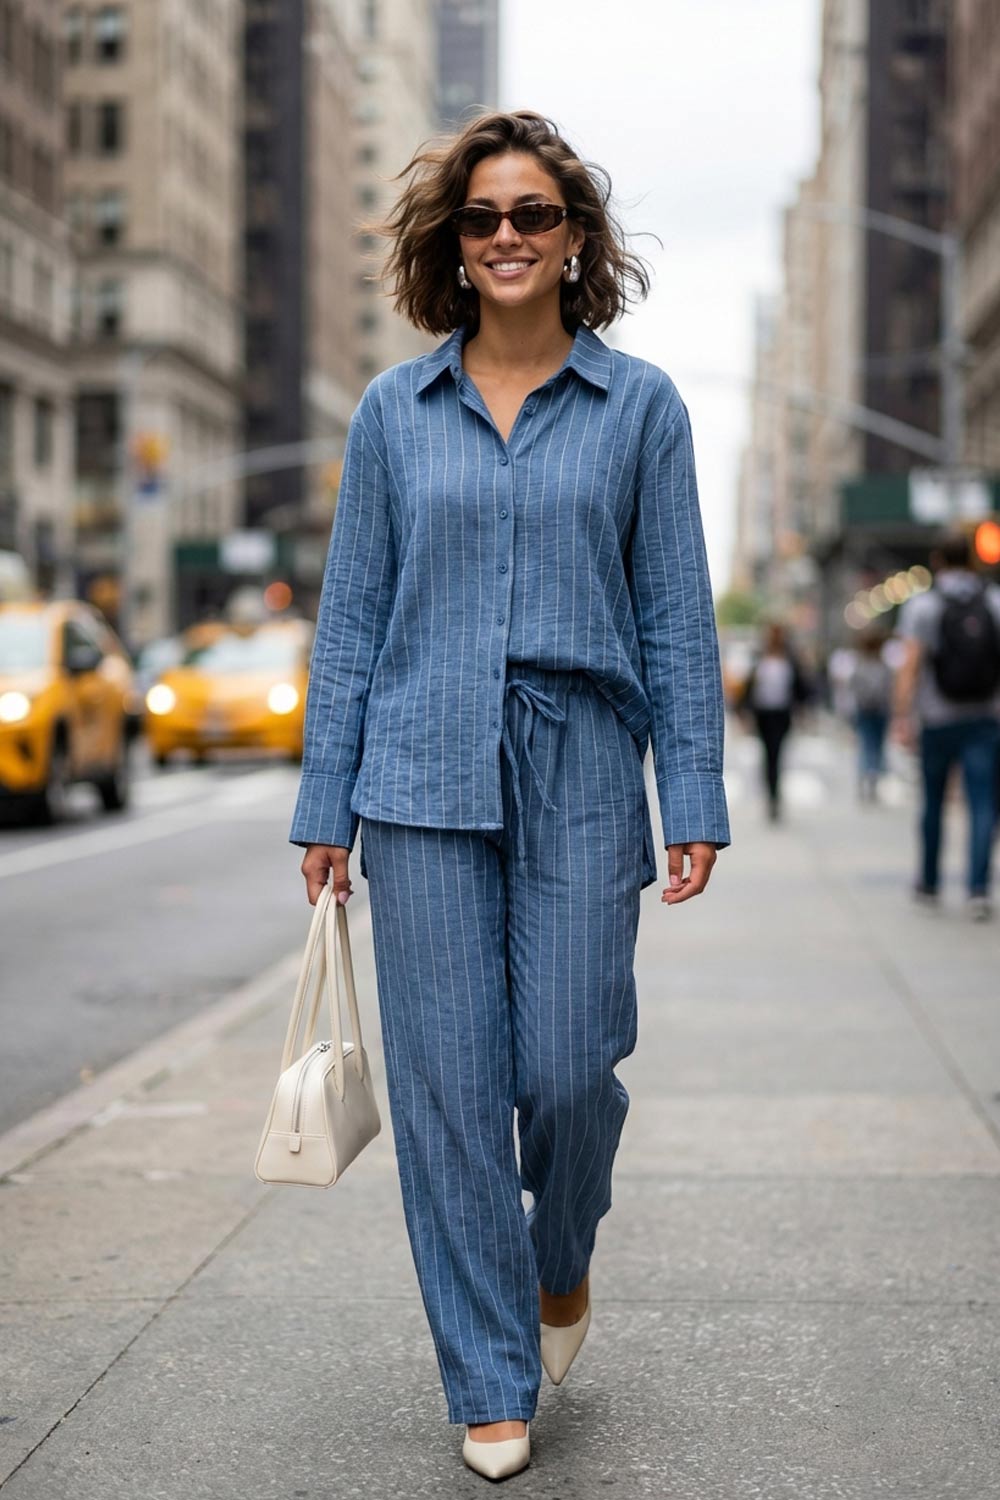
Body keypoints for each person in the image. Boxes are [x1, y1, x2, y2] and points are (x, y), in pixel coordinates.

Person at [290, 110, 730, 1481]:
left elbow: (674, 613)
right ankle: (489, 1377)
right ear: (453, 247)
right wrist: (325, 805)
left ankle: (561, 1260)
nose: (507, 237)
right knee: (450, 1097)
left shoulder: (642, 407)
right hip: (415, 776)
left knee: (568, 1067)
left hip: (586, 767)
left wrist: (696, 789)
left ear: (577, 238)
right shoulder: (391, 413)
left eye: (533, 214)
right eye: (482, 218)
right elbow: (353, 615)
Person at [894, 534, 1000, 920]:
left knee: (934, 802)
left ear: (938, 561)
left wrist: (901, 716)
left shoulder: (923, 605)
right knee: (982, 802)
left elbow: (910, 665)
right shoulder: (993, 601)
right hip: (985, 718)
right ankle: (978, 889)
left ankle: (930, 881)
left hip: (937, 719)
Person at [741, 622, 810, 822]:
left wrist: (804, 710)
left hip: (782, 714)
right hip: (763, 714)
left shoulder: (790, 660)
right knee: (767, 756)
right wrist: (743, 712)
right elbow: (749, 687)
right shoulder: (759, 659)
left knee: (777, 755)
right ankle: (770, 795)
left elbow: (801, 687)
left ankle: (775, 796)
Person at [851, 633, 893, 802]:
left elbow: (854, 689)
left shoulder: (861, 667)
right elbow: (888, 690)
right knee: (876, 747)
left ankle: (865, 777)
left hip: (865, 711)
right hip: (878, 711)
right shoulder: (884, 668)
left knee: (866, 745)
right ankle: (872, 780)